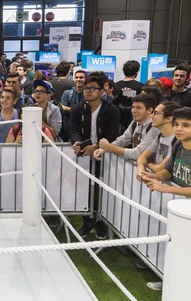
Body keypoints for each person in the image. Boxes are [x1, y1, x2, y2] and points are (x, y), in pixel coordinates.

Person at [69, 72, 120, 239]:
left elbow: (113, 134)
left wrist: (96, 147)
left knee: (101, 188)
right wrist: (77, 143)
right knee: (83, 187)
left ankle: (100, 221)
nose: (88, 91)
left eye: (92, 88)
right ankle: (87, 220)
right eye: (85, 88)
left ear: (102, 91)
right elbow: (73, 130)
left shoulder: (112, 110)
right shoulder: (77, 108)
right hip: (83, 154)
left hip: (104, 155)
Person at [140, 107, 191, 200]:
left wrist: (166, 188)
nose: (179, 129)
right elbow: (170, 171)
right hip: (178, 202)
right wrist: (154, 177)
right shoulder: (178, 144)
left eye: (186, 125)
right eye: (176, 124)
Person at [94, 94, 159, 161]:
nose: (134, 110)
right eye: (133, 107)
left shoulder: (154, 128)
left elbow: (138, 154)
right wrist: (104, 149)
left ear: (149, 110)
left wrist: (109, 147)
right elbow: (123, 140)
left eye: (138, 108)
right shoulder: (134, 123)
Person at [137, 101, 180, 176]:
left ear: (169, 118)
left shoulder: (177, 141)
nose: (151, 116)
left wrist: (148, 164)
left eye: (156, 113)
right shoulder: (159, 135)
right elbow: (142, 156)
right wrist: (140, 168)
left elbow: (159, 169)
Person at [60, 69, 86, 142]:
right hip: (68, 128)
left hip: (85, 128)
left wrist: (69, 109)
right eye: (76, 77)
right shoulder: (67, 93)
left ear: (85, 79)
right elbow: (63, 110)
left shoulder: (88, 94)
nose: (78, 79)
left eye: (81, 77)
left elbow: (88, 110)